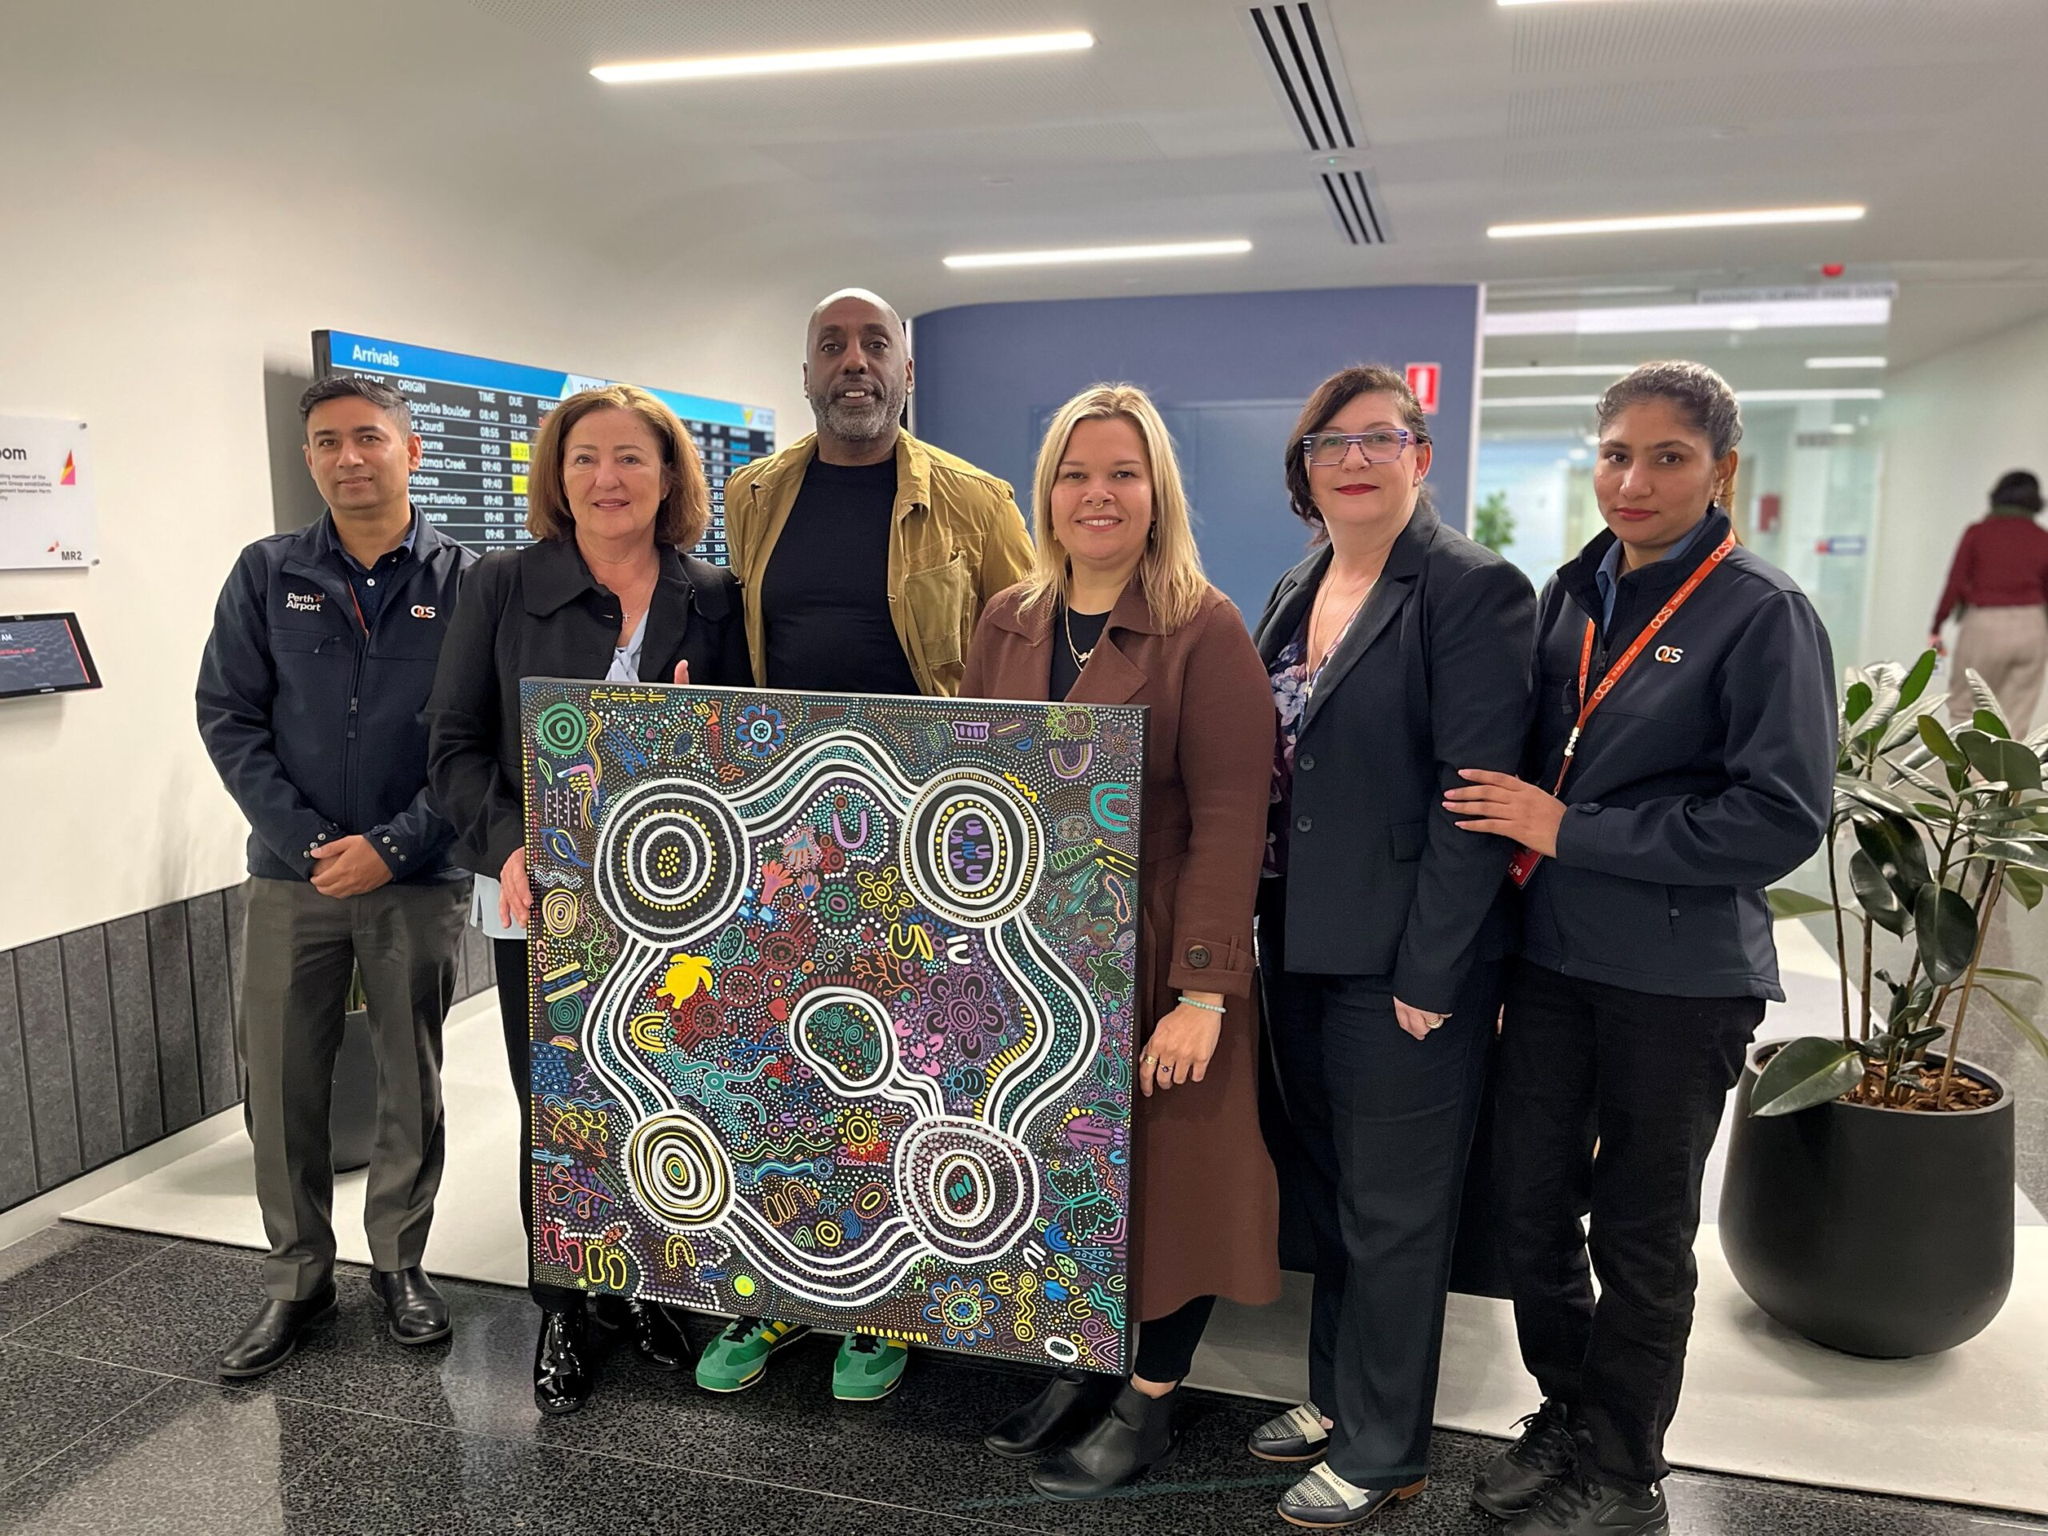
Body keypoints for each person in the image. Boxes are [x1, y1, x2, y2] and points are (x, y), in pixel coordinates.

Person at [1445, 362, 1835, 1536]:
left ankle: (1621, 1469)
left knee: (1639, 1230)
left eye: (1666, 457)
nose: (1633, 478)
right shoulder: (1571, 595)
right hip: (1555, 961)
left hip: (1678, 976)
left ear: (1719, 471)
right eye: (1615, 452)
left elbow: (1778, 817)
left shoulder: (1760, 612)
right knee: (1525, 1209)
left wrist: (1575, 832)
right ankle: (1568, 1415)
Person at [702, 287, 1034, 1403]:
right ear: (804, 374)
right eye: (830, 346)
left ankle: (879, 1307)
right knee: (774, 1068)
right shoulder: (754, 495)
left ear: (904, 373)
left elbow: (1023, 658)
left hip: (917, 839)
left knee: (895, 1077)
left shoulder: (973, 502)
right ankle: (770, 1290)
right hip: (780, 837)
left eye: (873, 345)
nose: (853, 362)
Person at [961, 383, 1282, 1499]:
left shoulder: (1206, 625)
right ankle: (1081, 1361)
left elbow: (1233, 818)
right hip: (1028, 948)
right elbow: (968, 778)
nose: (1096, 495)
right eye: (1074, 473)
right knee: (1058, 1172)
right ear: (1045, 492)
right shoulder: (1005, 618)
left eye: (1122, 473)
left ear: (1158, 494)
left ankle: (1148, 1399)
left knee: (1170, 1178)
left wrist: (1200, 992)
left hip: (1152, 946)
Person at [1243, 367, 1537, 1529]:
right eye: (1329, 443)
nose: (1353, 459)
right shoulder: (1294, 581)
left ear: (1420, 454)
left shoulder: (1468, 589)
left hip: (1403, 964)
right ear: (1303, 470)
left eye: (1379, 438)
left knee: (1396, 1212)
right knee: (1330, 1193)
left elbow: (1477, 802)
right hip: (1297, 941)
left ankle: (1383, 1449)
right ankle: (1333, 1398)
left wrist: (1432, 974)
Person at [424, 384, 750, 1415]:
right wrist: (513, 843)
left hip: (675, 910)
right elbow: (451, 746)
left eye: (630, 459)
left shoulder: (714, 595)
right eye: (583, 459)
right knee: (559, 1106)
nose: (606, 479)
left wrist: (707, 739)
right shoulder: (502, 585)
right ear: (556, 477)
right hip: (544, 903)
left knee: (663, 1094)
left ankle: (645, 1285)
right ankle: (564, 1304)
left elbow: (747, 755)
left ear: (669, 477)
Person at [197, 374, 474, 1379]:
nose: (348, 457)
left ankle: (398, 1265)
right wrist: (310, 842)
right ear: (309, 458)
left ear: (411, 450)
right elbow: (228, 715)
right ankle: (296, 1280)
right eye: (326, 443)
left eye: (367, 438)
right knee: (279, 1082)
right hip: (290, 876)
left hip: (419, 875)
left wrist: (394, 846)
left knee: (411, 1078)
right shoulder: (266, 574)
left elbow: (477, 739)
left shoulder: (469, 582)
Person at [1929, 469, 2048, 730]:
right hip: (2033, 626)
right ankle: (2004, 771)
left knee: (1965, 706)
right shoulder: (2043, 539)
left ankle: (1970, 770)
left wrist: (1937, 625)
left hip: (1985, 624)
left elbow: (1955, 582)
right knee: (2015, 715)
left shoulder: (1978, 533)